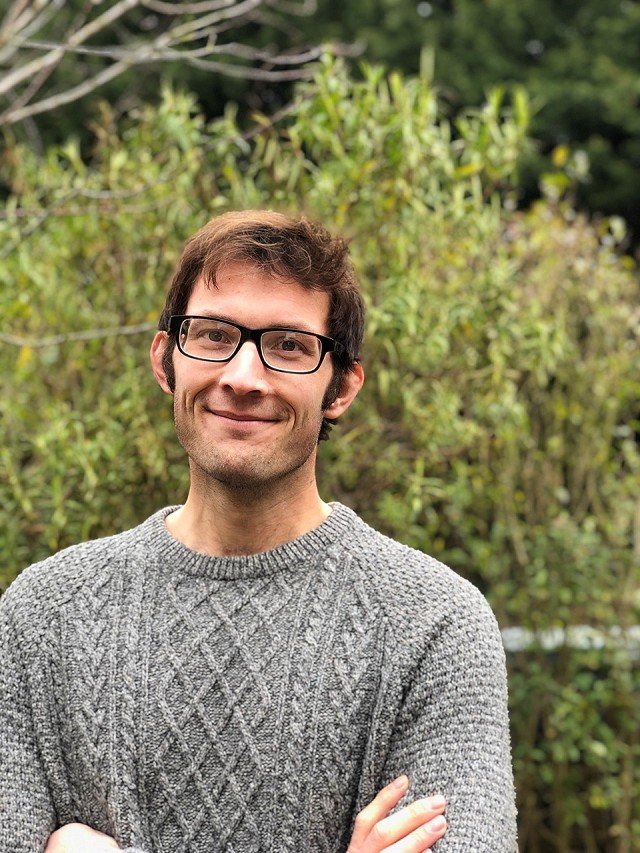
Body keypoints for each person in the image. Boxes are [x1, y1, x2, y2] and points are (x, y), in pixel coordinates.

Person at [0, 210, 517, 852]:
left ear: (341, 388)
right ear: (165, 361)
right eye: (214, 335)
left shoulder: (435, 625)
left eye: (289, 346)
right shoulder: (42, 617)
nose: (243, 377)